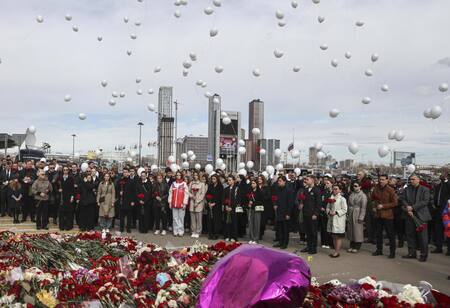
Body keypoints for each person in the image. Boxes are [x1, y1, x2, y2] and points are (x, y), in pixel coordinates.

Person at [400, 174, 432, 262]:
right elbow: (402, 199)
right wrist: (407, 208)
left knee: (422, 237)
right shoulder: (407, 189)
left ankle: (423, 254)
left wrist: (413, 207)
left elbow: (425, 201)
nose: (411, 181)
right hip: (409, 215)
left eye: (413, 179)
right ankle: (412, 253)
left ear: (418, 180)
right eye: (410, 179)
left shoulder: (425, 189)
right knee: (410, 235)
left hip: (421, 216)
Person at [371, 174, 398, 259]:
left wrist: (383, 206)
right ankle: (379, 250)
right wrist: (374, 207)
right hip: (378, 215)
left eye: (383, 179)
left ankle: (392, 252)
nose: (381, 181)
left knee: (390, 234)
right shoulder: (376, 189)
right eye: (380, 179)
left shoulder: (390, 190)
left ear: (387, 180)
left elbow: (395, 203)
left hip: (388, 215)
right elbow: (372, 199)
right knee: (378, 234)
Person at [299, 175, 322, 254]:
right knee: (307, 231)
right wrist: (301, 204)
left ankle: (313, 248)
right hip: (306, 213)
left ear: (312, 180)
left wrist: (316, 214)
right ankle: (308, 246)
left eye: (307, 179)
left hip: (313, 215)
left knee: (313, 232)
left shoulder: (317, 190)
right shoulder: (305, 190)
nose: (306, 181)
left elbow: (318, 204)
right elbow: (303, 199)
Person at [326, 184, 348, 258]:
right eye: (333, 189)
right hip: (332, 219)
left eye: (336, 189)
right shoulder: (331, 197)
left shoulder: (342, 199)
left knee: (338, 236)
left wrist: (336, 212)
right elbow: (328, 207)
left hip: (339, 220)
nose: (334, 190)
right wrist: (329, 212)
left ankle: (337, 252)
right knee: (334, 236)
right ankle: (335, 250)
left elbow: (345, 209)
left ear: (340, 190)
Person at [273, 176, 294, 249]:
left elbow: (290, 203)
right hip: (279, 211)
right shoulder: (277, 189)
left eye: (280, 181)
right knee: (279, 229)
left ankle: (285, 243)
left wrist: (288, 213)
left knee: (285, 229)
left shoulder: (289, 190)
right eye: (278, 181)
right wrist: (275, 204)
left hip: (285, 212)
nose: (279, 182)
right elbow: (275, 198)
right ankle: (280, 242)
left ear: (284, 182)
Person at [346, 182, 367, 253]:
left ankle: (357, 245)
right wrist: (348, 214)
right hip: (351, 212)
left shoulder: (363, 196)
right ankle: (351, 245)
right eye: (353, 186)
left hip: (358, 213)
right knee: (351, 230)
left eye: (356, 186)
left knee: (358, 230)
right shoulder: (351, 194)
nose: (354, 187)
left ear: (360, 187)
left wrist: (361, 217)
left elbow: (363, 208)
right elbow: (348, 205)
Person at [433, 174, 450, 254]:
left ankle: (449, 249)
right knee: (438, 229)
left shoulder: (448, 184)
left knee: (448, 229)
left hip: (447, 210)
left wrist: (446, 181)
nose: (441, 176)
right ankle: (438, 247)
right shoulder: (439, 185)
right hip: (438, 209)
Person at [168, 171, 189, 237]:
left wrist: (184, 203)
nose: (178, 176)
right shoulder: (173, 184)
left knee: (181, 218)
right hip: (174, 204)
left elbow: (186, 194)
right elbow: (170, 193)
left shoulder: (184, 184)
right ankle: (175, 231)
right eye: (177, 175)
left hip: (181, 204)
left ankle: (181, 231)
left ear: (181, 176)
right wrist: (170, 202)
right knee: (175, 218)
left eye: (179, 175)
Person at [189, 172, 207, 238]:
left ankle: (198, 231)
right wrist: (192, 196)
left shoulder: (202, 184)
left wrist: (197, 201)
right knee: (192, 218)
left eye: (196, 175)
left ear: (198, 176)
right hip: (192, 201)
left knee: (199, 218)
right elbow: (188, 192)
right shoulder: (191, 183)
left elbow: (203, 194)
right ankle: (193, 231)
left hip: (199, 203)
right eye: (194, 175)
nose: (195, 176)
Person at [118, 167, 136, 233]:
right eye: (124, 172)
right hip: (122, 200)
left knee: (129, 216)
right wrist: (119, 192)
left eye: (126, 172)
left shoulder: (132, 181)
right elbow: (117, 189)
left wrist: (133, 201)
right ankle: (121, 228)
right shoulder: (120, 180)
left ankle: (128, 228)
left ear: (128, 173)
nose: (125, 173)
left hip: (129, 201)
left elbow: (134, 192)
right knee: (122, 216)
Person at [205, 174, 223, 240]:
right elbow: (207, 194)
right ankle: (210, 233)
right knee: (210, 220)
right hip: (210, 205)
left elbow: (221, 197)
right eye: (212, 179)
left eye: (214, 179)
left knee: (216, 220)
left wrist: (214, 203)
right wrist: (209, 202)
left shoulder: (220, 187)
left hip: (217, 206)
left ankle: (216, 234)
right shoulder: (210, 186)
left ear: (217, 179)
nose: (213, 180)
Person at [58, 166, 75, 231]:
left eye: (66, 170)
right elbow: (55, 186)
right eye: (64, 170)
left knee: (69, 212)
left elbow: (73, 189)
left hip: (69, 197)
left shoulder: (71, 178)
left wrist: (72, 197)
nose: (65, 171)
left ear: (68, 171)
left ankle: (69, 226)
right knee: (61, 212)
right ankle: (61, 226)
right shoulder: (59, 178)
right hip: (61, 197)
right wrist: (58, 190)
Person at [222, 175, 239, 242]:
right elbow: (223, 198)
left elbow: (238, 199)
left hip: (233, 209)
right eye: (228, 180)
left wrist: (232, 207)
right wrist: (225, 205)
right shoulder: (226, 189)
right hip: (227, 208)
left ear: (233, 181)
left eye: (230, 180)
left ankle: (233, 236)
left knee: (234, 222)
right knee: (227, 222)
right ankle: (227, 235)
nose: (229, 181)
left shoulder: (237, 189)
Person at [247, 179, 264, 244]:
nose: (252, 185)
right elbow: (247, 199)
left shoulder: (260, 192)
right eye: (251, 183)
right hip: (251, 209)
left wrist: (253, 203)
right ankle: (251, 237)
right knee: (251, 223)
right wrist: (248, 203)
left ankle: (256, 239)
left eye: (254, 183)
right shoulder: (250, 191)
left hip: (257, 209)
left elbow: (261, 201)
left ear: (256, 184)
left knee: (256, 224)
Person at [258, 175, 273, 241]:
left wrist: (262, 198)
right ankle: (256, 233)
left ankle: (261, 234)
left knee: (262, 221)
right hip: (256, 206)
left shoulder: (266, 187)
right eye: (258, 179)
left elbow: (268, 196)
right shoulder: (256, 186)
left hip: (264, 206)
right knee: (257, 220)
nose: (259, 180)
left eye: (260, 179)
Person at [320, 177, 333, 249]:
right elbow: (321, 200)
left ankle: (329, 242)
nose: (326, 184)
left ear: (332, 184)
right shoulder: (324, 191)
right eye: (326, 183)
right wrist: (321, 207)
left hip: (330, 213)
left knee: (329, 228)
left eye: (328, 183)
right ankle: (323, 242)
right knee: (323, 228)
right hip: (323, 212)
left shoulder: (333, 193)